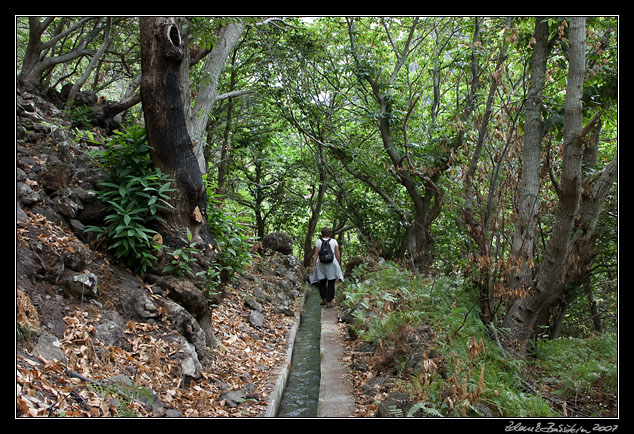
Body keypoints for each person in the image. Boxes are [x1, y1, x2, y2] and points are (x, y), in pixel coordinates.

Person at [309, 227, 344, 308]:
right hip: (332, 263)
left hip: (321, 264)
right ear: (330, 233)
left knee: (322, 282)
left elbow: (316, 255)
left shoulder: (318, 241)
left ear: (322, 233)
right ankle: (329, 301)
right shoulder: (334, 241)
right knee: (331, 282)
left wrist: (313, 266)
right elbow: (337, 253)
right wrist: (339, 263)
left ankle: (323, 299)